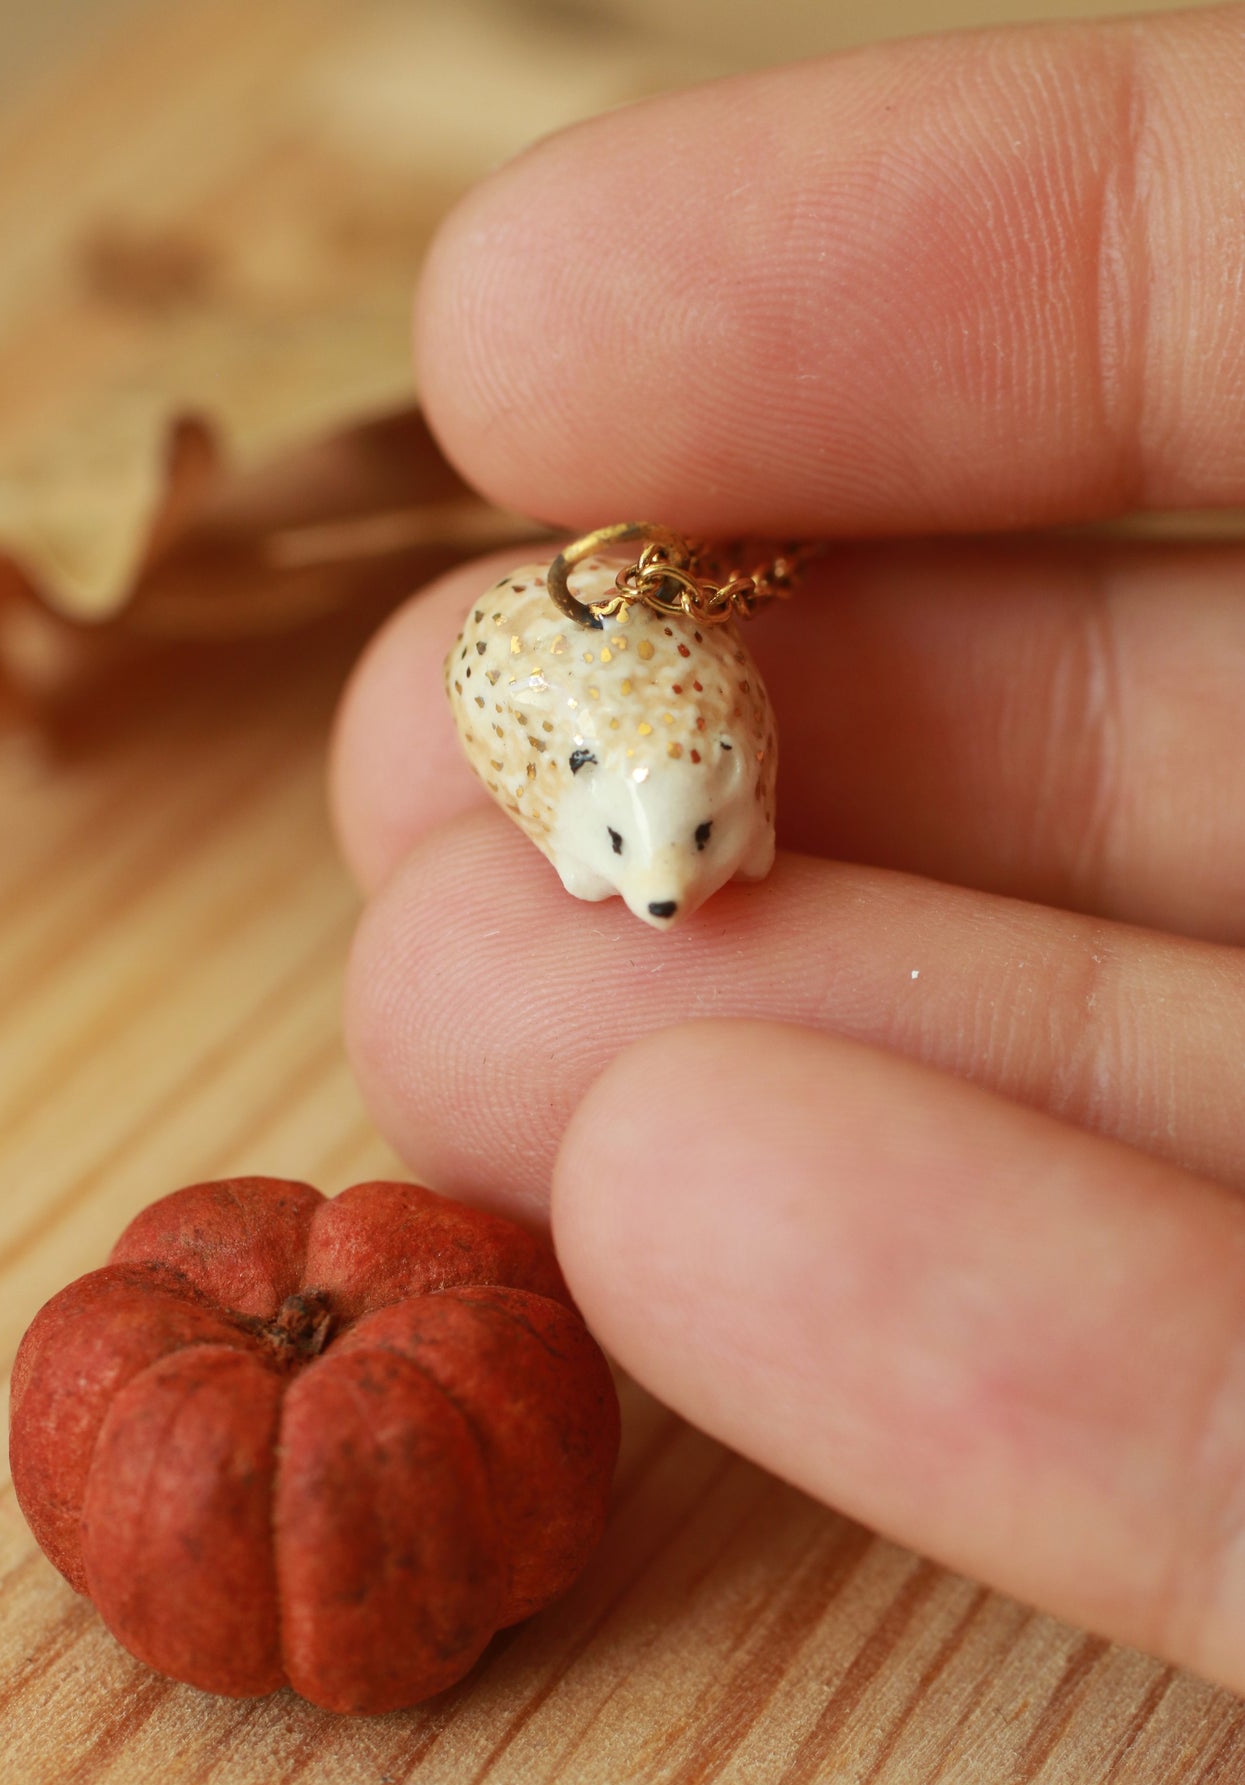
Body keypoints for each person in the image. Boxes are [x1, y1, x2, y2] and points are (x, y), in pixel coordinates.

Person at [328, 5, 1245, 1693]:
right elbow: (584, 792)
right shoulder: (556, 716)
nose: (670, 899)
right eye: (638, 853)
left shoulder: (714, 736)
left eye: (681, 852)